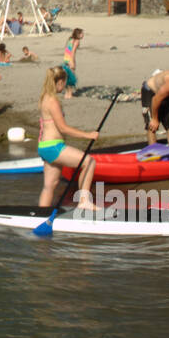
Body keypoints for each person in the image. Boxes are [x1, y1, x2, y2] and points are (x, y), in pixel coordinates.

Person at [37, 66, 100, 210]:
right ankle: (84, 201)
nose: (65, 86)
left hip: (45, 147)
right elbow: (63, 128)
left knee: (49, 186)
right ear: (59, 82)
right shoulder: (53, 101)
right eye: (64, 82)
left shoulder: (44, 97)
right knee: (88, 162)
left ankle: (41, 214)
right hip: (54, 147)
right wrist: (88, 135)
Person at [62, 28, 83, 98]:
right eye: (82, 34)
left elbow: (67, 50)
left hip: (65, 59)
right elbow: (72, 52)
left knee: (67, 77)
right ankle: (69, 94)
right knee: (71, 77)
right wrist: (72, 62)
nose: (83, 35)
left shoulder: (70, 40)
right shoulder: (77, 41)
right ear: (78, 34)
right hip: (70, 60)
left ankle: (66, 93)